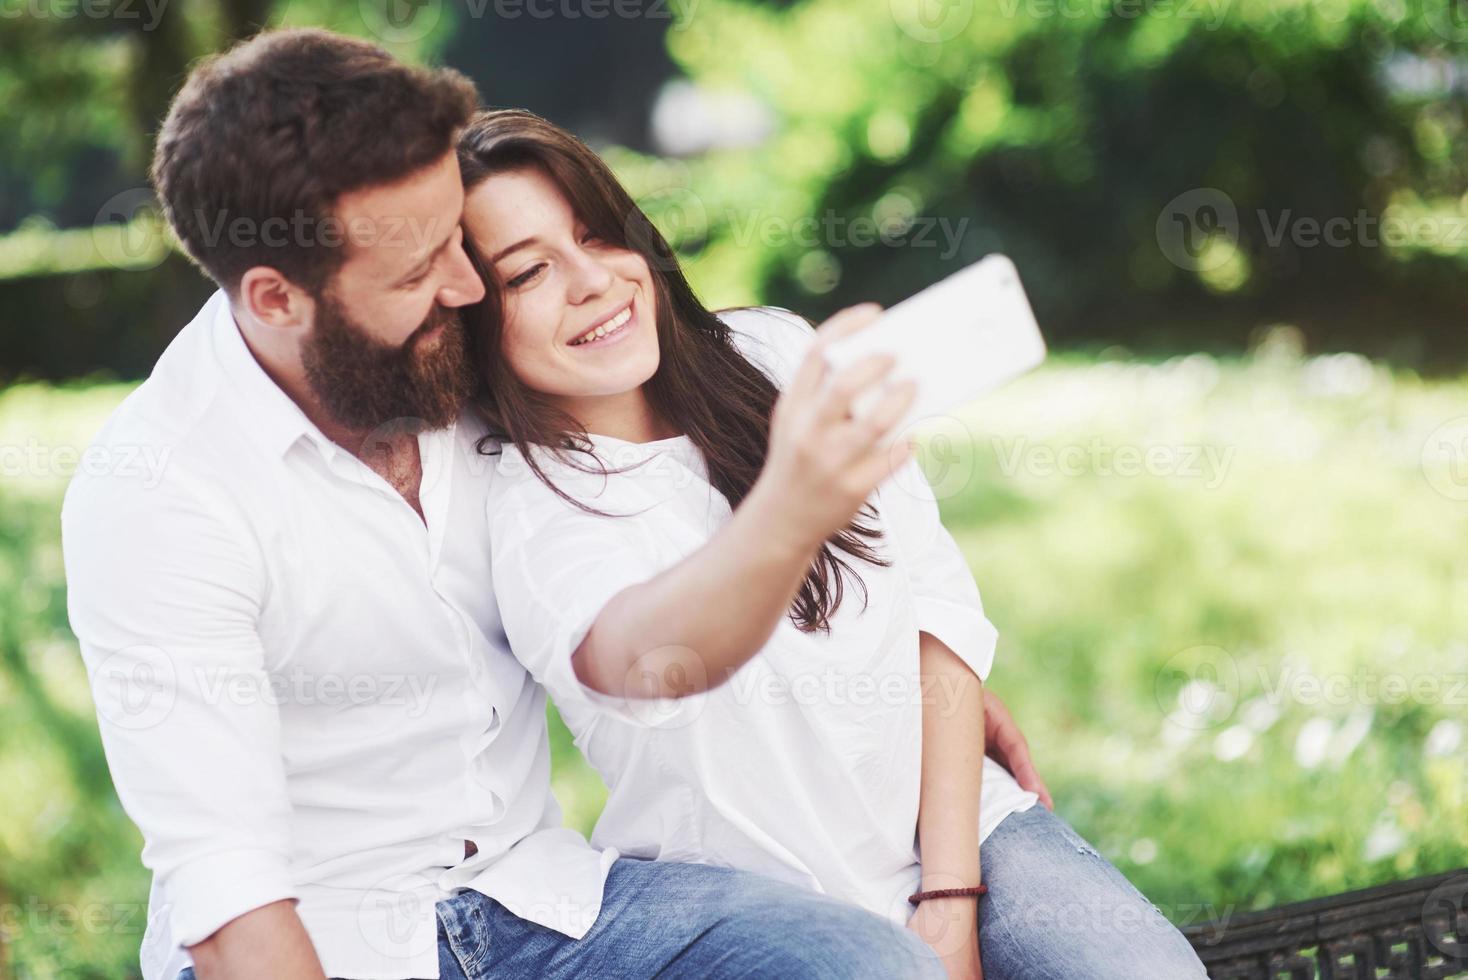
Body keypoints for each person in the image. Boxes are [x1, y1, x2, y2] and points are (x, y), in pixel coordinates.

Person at [61, 28, 1048, 980]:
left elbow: (643, 633)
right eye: (418, 269)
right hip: (328, 936)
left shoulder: (452, 362)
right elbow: (231, 901)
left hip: (538, 904)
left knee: (862, 964)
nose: (465, 287)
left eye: (462, 242)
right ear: (277, 299)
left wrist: (883, 664)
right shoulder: (162, 496)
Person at [453, 108, 1212, 980]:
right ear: (476, 321)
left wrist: (952, 896)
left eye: (596, 235)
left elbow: (934, 609)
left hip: (959, 831)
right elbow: (653, 663)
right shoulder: (529, 504)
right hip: (769, 917)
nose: (591, 282)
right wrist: (790, 506)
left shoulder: (775, 354)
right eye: (529, 273)